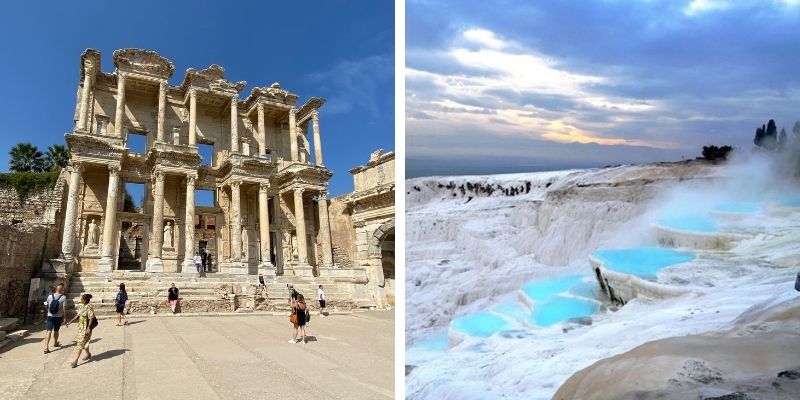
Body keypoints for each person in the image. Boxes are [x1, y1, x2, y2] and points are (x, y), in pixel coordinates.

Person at [65, 293, 95, 368]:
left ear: (84, 300)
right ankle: (88, 354)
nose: (80, 300)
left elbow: (91, 317)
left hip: (86, 328)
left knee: (80, 344)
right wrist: (70, 322)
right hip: (81, 328)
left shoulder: (89, 307)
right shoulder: (82, 306)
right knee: (84, 344)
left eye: (82, 299)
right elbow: (78, 315)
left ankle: (75, 360)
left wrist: (89, 328)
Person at [43, 283, 67, 354]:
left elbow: (45, 304)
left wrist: (48, 310)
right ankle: (55, 342)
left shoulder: (50, 296)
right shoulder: (63, 297)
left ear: (56, 289)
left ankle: (46, 347)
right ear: (62, 289)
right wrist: (65, 317)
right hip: (58, 317)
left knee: (49, 331)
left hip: (50, 316)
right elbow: (64, 308)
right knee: (56, 331)